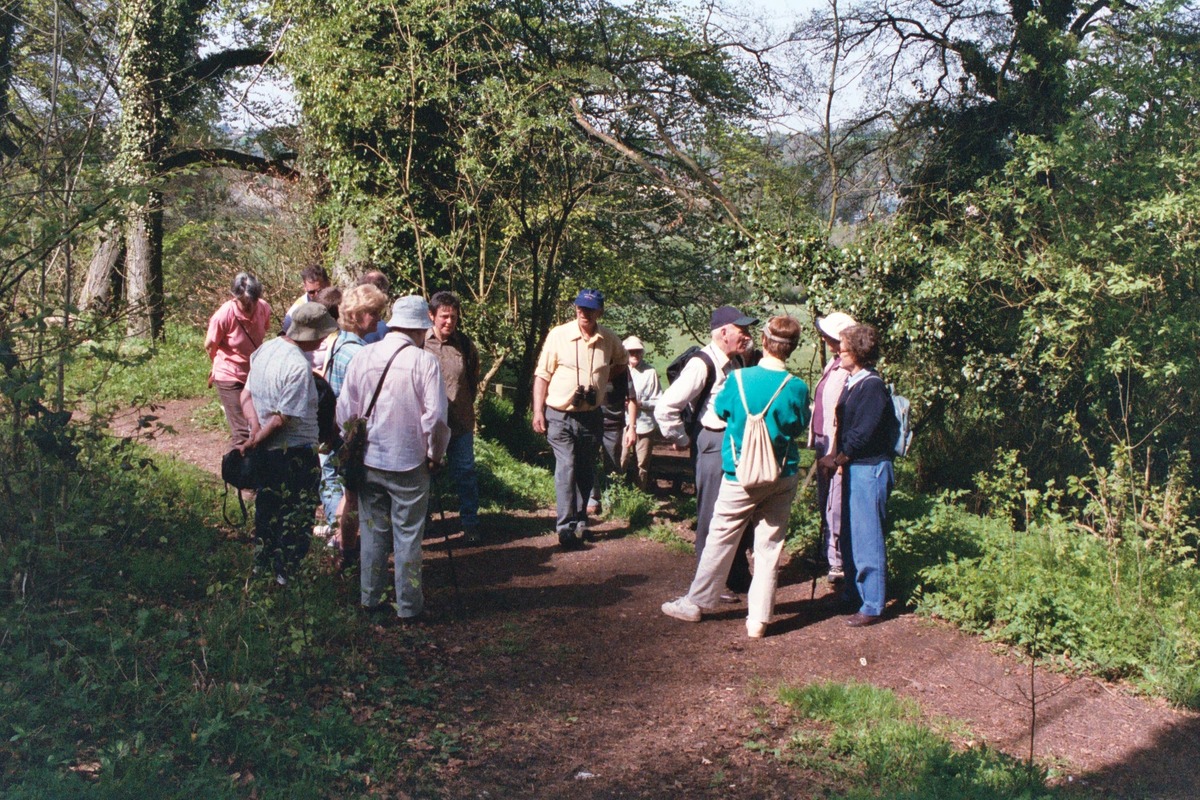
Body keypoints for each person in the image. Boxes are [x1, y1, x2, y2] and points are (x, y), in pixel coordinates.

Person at [661, 316, 811, 638]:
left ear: (764, 341)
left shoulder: (739, 380)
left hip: (739, 474)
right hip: (781, 475)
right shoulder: (797, 388)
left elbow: (720, 414)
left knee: (720, 537)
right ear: (792, 348)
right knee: (769, 547)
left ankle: (697, 603)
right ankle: (758, 620)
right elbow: (798, 426)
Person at [336, 295, 450, 621]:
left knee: (372, 533)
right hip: (410, 462)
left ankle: (371, 601)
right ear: (420, 329)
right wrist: (436, 455)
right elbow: (437, 420)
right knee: (408, 537)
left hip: (370, 459)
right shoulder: (425, 362)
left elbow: (346, 411)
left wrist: (352, 443)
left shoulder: (365, 355)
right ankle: (410, 608)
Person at [654, 305, 758, 596]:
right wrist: (683, 438)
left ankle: (735, 575)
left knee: (736, 511)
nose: (748, 336)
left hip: (731, 443)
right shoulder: (702, 363)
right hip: (712, 442)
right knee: (712, 514)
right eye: (742, 330)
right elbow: (666, 406)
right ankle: (709, 584)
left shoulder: (734, 361)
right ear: (724, 332)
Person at [239, 302, 338, 585]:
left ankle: (262, 565)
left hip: (266, 452)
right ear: (309, 333)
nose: (321, 343)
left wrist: (254, 431)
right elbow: (283, 419)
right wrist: (256, 436)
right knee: (296, 514)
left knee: (267, 508)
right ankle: (286, 573)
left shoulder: (264, 350)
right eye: (321, 336)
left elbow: (246, 396)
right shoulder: (297, 365)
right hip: (294, 454)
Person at [531, 289, 629, 549]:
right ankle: (565, 527)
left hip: (591, 416)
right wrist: (537, 411)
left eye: (589, 309)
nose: (583, 313)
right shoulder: (558, 335)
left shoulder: (608, 339)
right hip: (559, 414)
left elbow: (622, 362)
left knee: (586, 468)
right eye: (580, 308)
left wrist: (603, 379)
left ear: (600, 311)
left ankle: (581, 519)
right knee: (567, 465)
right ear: (574, 309)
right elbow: (542, 375)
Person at [819, 323, 897, 627]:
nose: (839, 352)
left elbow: (862, 433)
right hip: (855, 467)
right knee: (851, 535)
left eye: (844, 347)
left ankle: (873, 603)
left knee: (868, 537)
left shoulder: (872, 385)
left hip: (870, 469)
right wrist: (837, 458)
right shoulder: (855, 381)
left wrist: (837, 458)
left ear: (859, 352)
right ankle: (854, 591)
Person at [319, 283, 389, 563]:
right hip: (349, 434)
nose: (379, 319)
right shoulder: (359, 353)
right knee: (353, 498)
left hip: (335, 431)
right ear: (360, 315)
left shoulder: (337, 341)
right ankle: (348, 552)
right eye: (375, 313)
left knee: (343, 495)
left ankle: (341, 550)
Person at [423, 291, 484, 543]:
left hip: (459, 422)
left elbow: (472, 379)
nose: (449, 322)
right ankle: (423, 524)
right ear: (431, 316)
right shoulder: (419, 344)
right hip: (428, 423)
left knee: (465, 472)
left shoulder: (466, 346)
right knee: (423, 474)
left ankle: (470, 524)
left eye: (454, 317)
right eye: (444, 317)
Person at [808, 311, 857, 583]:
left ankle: (837, 561)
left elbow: (840, 414)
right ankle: (830, 555)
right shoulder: (834, 364)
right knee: (825, 499)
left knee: (835, 502)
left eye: (829, 336)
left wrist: (834, 452)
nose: (825, 340)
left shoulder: (847, 369)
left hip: (833, 447)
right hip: (822, 441)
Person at [205, 272, 272, 448]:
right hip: (229, 373)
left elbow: (263, 331)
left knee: (259, 423)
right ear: (235, 298)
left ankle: (256, 469)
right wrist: (215, 365)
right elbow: (210, 345)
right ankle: (238, 471)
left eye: (252, 302)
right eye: (244, 303)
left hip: (253, 373)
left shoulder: (264, 308)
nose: (249, 307)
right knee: (241, 431)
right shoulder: (223, 315)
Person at [587, 375, 637, 515]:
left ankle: (612, 500)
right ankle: (592, 498)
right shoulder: (592, 363)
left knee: (613, 463)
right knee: (589, 460)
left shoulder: (622, 369)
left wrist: (631, 428)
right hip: (590, 421)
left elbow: (632, 399)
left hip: (613, 423)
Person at [623, 336, 661, 490]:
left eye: (638, 351)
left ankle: (639, 494)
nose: (635, 355)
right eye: (631, 352)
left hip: (645, 423)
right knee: (621, 460)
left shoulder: (650, 372)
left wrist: (640, 404)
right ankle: (616, 496)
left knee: (642, 463)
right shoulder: (618, 370)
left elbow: (658, 400)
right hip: (623, 422)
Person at [280, 265, 331, 335]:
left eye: (320, 291)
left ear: (328, 284)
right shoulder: (295, 312)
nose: (316, 295)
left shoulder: (337, 303)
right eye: (311, 292)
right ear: (305, 287)